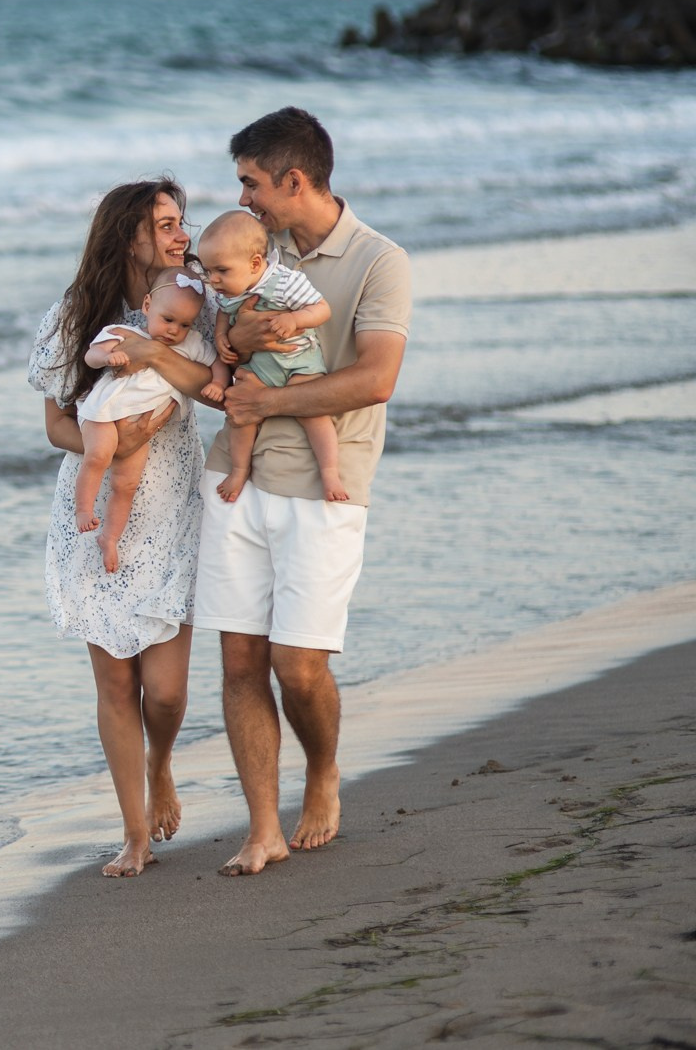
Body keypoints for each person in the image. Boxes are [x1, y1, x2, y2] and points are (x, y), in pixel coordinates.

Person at [193, 107, 411, 877]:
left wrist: (270, 399)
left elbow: (376, 379)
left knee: (299, 666)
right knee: (240, 661)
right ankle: (262, 827)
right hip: (235, 481)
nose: (244, 197)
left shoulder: (379, 261)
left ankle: (323, 769)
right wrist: (236, 342)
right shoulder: (252, 251)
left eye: (252, 183)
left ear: (293, 179)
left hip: (327, 490)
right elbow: (218, 329)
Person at [28, 178, 220, 877]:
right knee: (115, 685)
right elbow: (54, 423)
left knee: (164, 692)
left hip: (171, 508)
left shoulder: (197, 307)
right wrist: (114, 441)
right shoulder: (74, 317)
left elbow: (218, 389)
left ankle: (160, 761)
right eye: (164, 223)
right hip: (93, 514)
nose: (179, 233)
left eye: (180, 221)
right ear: (127, 234)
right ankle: (134, 833)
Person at [71, 276, 222, 573]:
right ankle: (83, 509)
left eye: (184, 324)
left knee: (126, 484)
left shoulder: (190, 344)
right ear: (147, 305)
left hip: (142, 430)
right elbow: (91, 355)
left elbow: (216, 363)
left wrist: (217, 381)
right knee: (99, 455)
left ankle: (110, 538)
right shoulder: (123, 333)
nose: (174, 330)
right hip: (104, 412)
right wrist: (107, 356)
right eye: (168, 319)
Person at [195, 210, 346, 503]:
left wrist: (295, 320)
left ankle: (330, 472)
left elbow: (321, 309)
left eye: (221, 271)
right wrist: (221, 337)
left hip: (298, 362)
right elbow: (225, 315)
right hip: (259, 369)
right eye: (208, 271)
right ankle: (239, 470)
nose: (213, 280)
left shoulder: (287, 281)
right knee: (241, 417)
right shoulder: (229, 289)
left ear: (254, 263)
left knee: (314, 414)